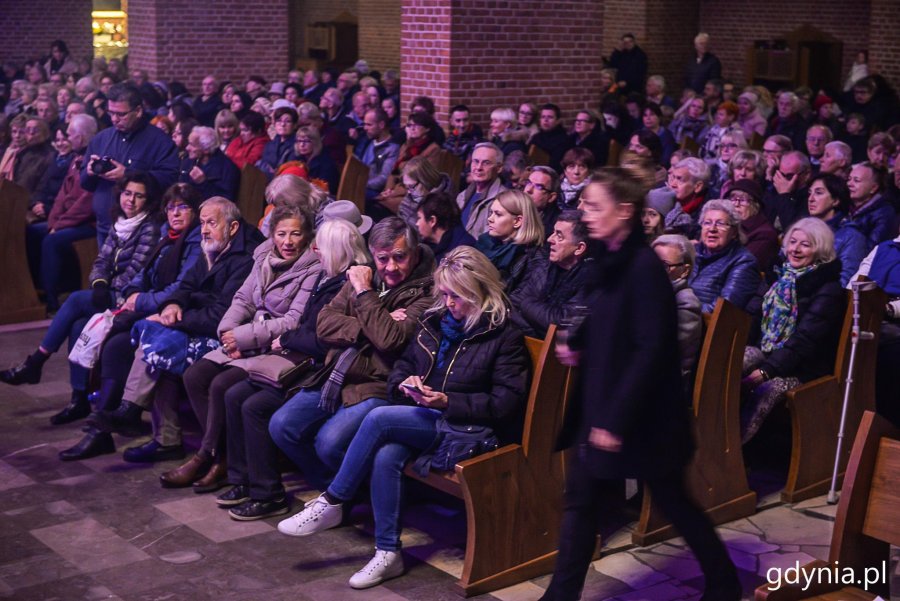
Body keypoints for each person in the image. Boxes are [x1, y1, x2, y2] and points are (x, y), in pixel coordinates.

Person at [539, 165, 741, 601]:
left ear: (625, 211)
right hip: (601, 403)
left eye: (595, 206)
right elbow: (598, 316)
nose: (585, 213)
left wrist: (614, 420)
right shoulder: (606, 259)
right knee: (580, 504)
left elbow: (651, 351)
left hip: (643, 418)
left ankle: (724, 583)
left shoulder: (644, 267)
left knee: (675, 503)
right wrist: (577, 344)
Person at [275, 246, 529, 590]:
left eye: (458, 296)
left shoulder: (504, 335)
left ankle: (333, 500)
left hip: (469, 428)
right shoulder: (436, 321)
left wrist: (446, 400)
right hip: (429, 414)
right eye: (445, 293)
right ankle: (388, 553)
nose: (449, 303)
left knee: (379, 419)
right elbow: (402, 368)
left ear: (480, 291)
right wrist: (407, 385)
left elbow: (505, 404)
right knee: (386, 454)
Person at [216, 218, 371, 519]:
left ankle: (269, 494)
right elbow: (306, 326)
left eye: (321, 247)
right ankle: (243, 480)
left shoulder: (348, 286)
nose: (315, 250)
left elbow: (325, 340)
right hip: (297, 359)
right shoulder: (326, 278)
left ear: (337, 250)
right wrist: (291, 336)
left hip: (317, 370)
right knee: (233, 394)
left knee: (255, 407)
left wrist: (286, 337)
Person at [90, 197, 264, 463]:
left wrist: (175, 320)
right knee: (152, 338)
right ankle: (146, 424)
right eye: (203, 222)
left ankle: (144, 421)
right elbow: (186, 286)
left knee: (158, 345)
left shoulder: (245, 258)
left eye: (212, 223)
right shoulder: (213, 248)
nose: (204, 229)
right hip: (197, 322)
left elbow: (222, 316)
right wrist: (172, 305)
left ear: (232, 227)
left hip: (228, 336)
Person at [268, 218, 435, 492]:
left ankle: (348, 495)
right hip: (338, 375)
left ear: (415, 254)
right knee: (282, 425)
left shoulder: (427, 292)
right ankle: (336, 491)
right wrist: (372, 322)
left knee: (328, 442)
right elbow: (324, 323)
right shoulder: (364, 274)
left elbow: (390, 339)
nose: (390, 267)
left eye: (400, 257)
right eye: (383, 258)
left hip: (379, 384)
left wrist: (364, 295)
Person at [163, 205, 321, 491]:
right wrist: (227, 332)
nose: (287, 242)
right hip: (245, 338)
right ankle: (220, 456)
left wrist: (243, 337)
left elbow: (293, 321)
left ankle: (209, 455)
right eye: (281, 233)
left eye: (295, 234)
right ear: (272, 235)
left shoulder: (313, 268)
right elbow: (242, 299)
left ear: (308, 237)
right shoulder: (262, 255)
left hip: (274, 347)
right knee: (194, 375)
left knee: (223, 384)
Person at [0, 173, 162, 424]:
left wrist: (106, 288)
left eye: (139, 196)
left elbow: (137, 272)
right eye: (128, 193)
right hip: (108, 291)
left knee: (75, 300)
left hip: (126, 298)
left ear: (148, 200)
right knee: (77, 325)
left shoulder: (150, 227)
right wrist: (99, 282)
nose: (130, 200)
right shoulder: (120, 222)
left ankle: (36, 362)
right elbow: (102, 260)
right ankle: (79, 399)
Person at [58, 183, 204, 461]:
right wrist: (131, 293)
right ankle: (103, 425)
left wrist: (141, 301)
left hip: (174, 313)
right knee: (111, 342)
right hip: (149, 307)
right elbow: (143, 273)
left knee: (122, 344)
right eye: (171, 207)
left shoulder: (195, 241)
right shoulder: (166, 235)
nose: (175, 213)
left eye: (182, 207)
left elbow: (181, 287)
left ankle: (111, 422)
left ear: (195, 211)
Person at [741, 218, 846, 443]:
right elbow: (751, 313)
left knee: (766, 390)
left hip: (804, 367)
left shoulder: (829, 289)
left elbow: (805, 340)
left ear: (821, 249)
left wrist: (765, 371)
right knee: (732, 363)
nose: (795, 250)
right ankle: (711, 433)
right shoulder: (777, 275)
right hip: (769, 353)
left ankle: (734, 451)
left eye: (805, 244)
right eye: (792, 242)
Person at [81, 83, 179, 243]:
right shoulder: (101, 138)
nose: (114, 119)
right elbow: (85, 183)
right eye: (110, 113)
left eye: (121, 114)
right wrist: (90, 172)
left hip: (142, 230)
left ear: (138, 111)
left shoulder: (160, 141)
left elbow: (169, 179)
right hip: (105, 226)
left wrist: (128, 175)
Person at [25, 114, 99, 314]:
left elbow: (86, 204)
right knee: (32, 231)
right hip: (68, 221)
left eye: (70, 135)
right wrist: (52, 222)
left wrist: (59, 225)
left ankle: (52, 299)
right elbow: (61, 196)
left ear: (81, 137)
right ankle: (35, 291)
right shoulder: (75, 158)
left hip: (88, 223)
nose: (66, 138)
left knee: (52, 240)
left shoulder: (93, 160)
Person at [510, 210, 592, 338]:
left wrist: (526, 304)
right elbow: (513, 304)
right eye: (553, 232)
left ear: (579, 248)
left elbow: (562, 323)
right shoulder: (544, 267)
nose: (549, 239)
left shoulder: (589, 280)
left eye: (559, 236)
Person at [688, 199, 761, 313]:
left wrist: (682, 310)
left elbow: (723, 310)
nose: (712, 229)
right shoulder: (691, 252)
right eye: (707, 222)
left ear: (734, 232)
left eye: (721, 224)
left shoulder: (744, 262)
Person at [476, 189, 547, 297]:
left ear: (518, 221)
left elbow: (518, 300)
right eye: (491, 213)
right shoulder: (484, 243)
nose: (490, 219)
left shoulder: (532, 258)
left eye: (498, 214)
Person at [652, 234, 703, 383]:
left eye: (664, 266)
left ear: (685, 270)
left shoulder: (686, 302)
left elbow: (662, 349)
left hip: (667, 381)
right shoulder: (650, 293)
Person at [807, 173, 868, 286]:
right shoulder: (802, 229)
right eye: (809, 193)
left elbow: (844, 283)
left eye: (818, 193)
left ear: (835, 200)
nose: (811, 199)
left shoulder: (852, 237)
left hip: (823, 299)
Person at [727, 179, 779, 274]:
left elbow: (743, 265)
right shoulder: (727, 226)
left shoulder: (765, 234)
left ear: (755, 205)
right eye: (733, 199)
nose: (736, 204)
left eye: (742, 200)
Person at [457, 142, 508, 237]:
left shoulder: (503, 201)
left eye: (486, 163)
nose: (479, 167)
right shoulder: (462, 196)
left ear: (499, 168)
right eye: (475, 161)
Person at [842, 161, 895, 251]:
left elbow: (869, 250)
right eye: (849, 179)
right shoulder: (844, 205)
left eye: (856, 180)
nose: (849, 184)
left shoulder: (884, 214)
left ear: (873, 188)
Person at [178, 126, 239, 200]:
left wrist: (203, 183)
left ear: (206, 149)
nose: (187, 148)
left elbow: (225, 201)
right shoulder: (188, 161)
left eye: (192, 145)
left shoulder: (228, 169)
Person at [415, 190, 476, 263]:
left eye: (419, 218)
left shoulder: (465, 251)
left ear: (432, 221)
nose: (417, 223)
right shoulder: (423, 249)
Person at [355, 107, 400, 201]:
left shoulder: (392, 148)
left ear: (381, 125)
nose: (365, 128)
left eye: (369, 125)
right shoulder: (366, 141)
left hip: (375, 192)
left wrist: (361, 184)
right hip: (361, 185)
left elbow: (384, 178)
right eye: (364, 124)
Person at [397, 156, 451, 228]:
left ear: (425, 181)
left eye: (411, 186)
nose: (409, 192)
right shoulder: (407, 202)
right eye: (406, 187)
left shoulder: (445, 203)